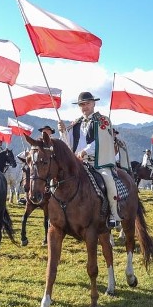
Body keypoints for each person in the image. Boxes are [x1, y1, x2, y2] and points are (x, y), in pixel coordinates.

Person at [57, 91, 120, 229]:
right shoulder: (76, 124)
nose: (84, 107)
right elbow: (69, 144)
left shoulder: (103, 121)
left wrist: (85, 151)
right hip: (78, 163)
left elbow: (102, 141)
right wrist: (63, 132)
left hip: (97, 161)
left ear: (93, 104)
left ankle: (113, 214)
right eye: (81, 105)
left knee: (109, 181)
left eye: (87, 104)